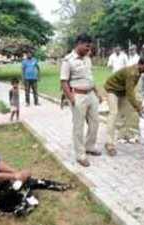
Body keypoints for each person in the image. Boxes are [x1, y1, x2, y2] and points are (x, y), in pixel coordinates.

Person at [60, 33, 102, 167]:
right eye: (86, 46)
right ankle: (80, 154)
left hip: (91, 95)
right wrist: (71, 99)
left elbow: (90, 77)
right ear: (78, 44)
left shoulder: (87, 58)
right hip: (78, 96)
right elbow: (64, 81)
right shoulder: (68, 60)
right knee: (78, 126)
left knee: (95, 122)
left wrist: (97, 93)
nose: (88, 49)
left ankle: (90, 146)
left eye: (89, 47)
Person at [104, 57, 144, 155]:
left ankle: (125, 135)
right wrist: (138, 107)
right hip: (112, 89)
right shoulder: (132, 73)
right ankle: (109, 143)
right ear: (142, 64)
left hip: (122, 91)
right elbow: (130, 93)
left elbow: (130, 92)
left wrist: (137, 106)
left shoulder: (139, 71)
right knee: (113, 114)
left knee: (128, 113)